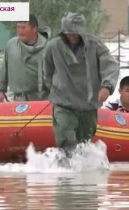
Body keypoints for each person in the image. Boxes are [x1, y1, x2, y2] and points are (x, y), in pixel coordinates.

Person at [43, 12, 120, 155]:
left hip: (88, 102)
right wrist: (53, 90)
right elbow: (46, 72)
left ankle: (83, 174)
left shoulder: (95, 45)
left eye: (75, 33)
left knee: (85, 143)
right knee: (66, 138)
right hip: (63, 102)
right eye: (68, 33)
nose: (72, 37)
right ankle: (66, 173)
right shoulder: (54, 46)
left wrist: (106, 86)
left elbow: (110, 65)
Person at [0, 14, 51, 102]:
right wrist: (1, 90)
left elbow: (57, 75)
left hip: (42, 100)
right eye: (18, 27)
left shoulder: (48, 48)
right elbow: (4, 69)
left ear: (34, 29)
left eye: (24, 28)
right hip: (18, 100)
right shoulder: (11, 45)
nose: (20, 31)